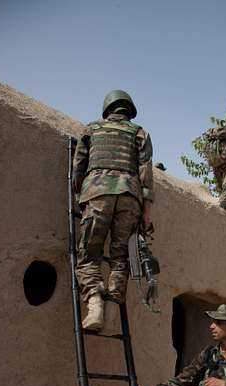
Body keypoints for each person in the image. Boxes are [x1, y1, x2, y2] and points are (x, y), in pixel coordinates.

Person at [72, 90, 154, 330]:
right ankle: (111, 311)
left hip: (97, 194)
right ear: (129, 111)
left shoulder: (91, 129)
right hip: (130, 198)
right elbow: (146, 175)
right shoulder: (140, 132)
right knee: (120, 258)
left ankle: (95, 303)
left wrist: (81, 196)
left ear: (108, 109)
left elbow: (78, 168)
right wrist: (146, 212)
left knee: (89, 253)